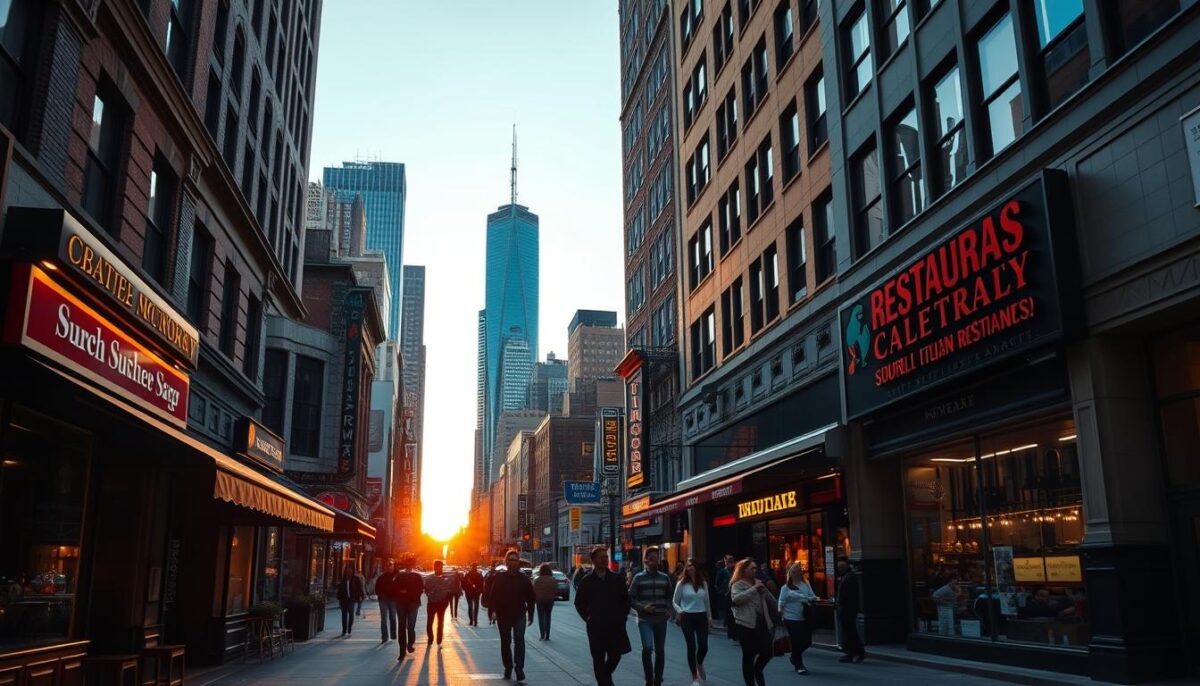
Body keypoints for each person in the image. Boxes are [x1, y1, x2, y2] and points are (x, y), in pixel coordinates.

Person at [575, 546, 632, 686]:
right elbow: (579, 603)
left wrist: (622, 616)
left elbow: (626, 600)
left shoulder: (616, 579)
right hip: (596, 627)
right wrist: (587, 617)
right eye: (601, 557)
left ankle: (604, 677)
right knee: (598, 658)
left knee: (616, 655)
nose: (604, 560)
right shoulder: (587, 580)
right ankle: (605, 683)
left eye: (605, 557)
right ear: (594, 560)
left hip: (614, 626)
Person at [484, 549, 535, 681]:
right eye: (511, 560)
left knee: (519, 640)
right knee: (506, 642)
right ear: (506, 562)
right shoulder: (500, 578)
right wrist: (493, 611)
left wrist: (531, 613)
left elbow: (530, 598)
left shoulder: (524, 579)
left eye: (515, 560)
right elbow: (493, 596)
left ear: (518, 562)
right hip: (503, 615)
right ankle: (508, 667)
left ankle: (519, 669)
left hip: (519, 615)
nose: (513, 562)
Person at [629, 546, 674, 686]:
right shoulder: (638, 578)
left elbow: (669, 597)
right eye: (651, 558)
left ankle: (658, 679)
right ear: (646, 561)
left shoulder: (665, 577)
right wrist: (642, 607)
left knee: (660, 650)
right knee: (648, 648)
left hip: (661, 619)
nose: (655, 560)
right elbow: (630, 598)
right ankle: (649, 678)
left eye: (657, 558)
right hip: (645, 619)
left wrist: (669, 610)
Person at [730, 558, 776, 686]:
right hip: (746, 623)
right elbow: (737, 599)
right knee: (749, 655)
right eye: (752, 568)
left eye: (756, 568)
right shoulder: (737, 584)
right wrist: (754, 589)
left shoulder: (758, 583)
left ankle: (757, 670)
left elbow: (772, 602)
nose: (755, 570)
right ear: (744, 571)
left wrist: (765, 590)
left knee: (767, 653)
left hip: (762, 623)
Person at [672, 558, 711, 686]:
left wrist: (709, 618)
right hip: (687, 617)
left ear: (696, 567)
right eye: (688, 566)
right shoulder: (681, 583)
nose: (690, 568)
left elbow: (707, 602)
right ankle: (694, 677)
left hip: (701, 616)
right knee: (691, 646)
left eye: (692, 566)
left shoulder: (703, 583)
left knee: (704, 645)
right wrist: (680, 611)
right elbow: (674, 601)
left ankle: (699, 663)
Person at [778, 563, 818, 675]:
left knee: (807, 641)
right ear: (789, 573)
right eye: (793, 571)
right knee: (796, 641)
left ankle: (794, 656)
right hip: (791, 617)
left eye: (798, 571)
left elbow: (813, 596)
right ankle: (799, 665)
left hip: (805, 616)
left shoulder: (806, 584)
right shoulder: (785, 588)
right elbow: (781, 602)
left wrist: (805, 598)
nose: (796, 573)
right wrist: (781, 615)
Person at [393, 553, 424, 658]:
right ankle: (403, 650)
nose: (409, 566)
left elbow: (420, 589)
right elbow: (395, 587)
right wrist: (402, 592)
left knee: (409, 626)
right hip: (403, 602)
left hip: (412, 603)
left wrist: (406, 591)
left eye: (410, 564)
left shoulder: (416, 576)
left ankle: (409, 644)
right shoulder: (400, 575)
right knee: (403, 626)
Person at [835, 560, 865, 663]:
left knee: (850, 631)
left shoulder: (849, 577)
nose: (838, 570)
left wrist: (841, 603)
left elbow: (848, 595)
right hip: (847, 608)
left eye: (840, 568)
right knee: (848, 631)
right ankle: (851, 652)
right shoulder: (847, 577)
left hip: (848, 609)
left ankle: (856, 652)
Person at [423, 559, 455, 648]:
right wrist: (430, 594)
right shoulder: (429, 578)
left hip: (442, 603)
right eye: (438, 567)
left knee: (440, 622)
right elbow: (426, 590)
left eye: (441, 567)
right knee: (430, 622)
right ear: (434, 567)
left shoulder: (446, 578)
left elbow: (450, 591)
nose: (440, 568)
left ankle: (439, 640)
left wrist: (446, 601)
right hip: (432, 603)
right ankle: (430, 638)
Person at [335, 565, 365, 637]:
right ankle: (344, 630)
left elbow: (359, 588)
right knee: (344, 615)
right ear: (345, 571)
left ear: (352, 571)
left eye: (350, 570)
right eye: (347, 570)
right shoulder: (343, 580)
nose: (348, 571)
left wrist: (361, 596)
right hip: (343, 600)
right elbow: (340, 590)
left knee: (351, 614)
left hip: (351, 599)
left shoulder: (355, 579)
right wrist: (339, 599)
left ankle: (349, 629)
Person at [375, 559, 399, 644]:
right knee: (383, 618)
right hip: (383, 600)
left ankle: (393, 634)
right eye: (387, 566)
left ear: (393, 566)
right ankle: (384, 637)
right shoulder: (381, 577)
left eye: (391, 565)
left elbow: (399, 587)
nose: (389, 567)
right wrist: (381, 595)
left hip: (393, 599)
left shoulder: (397, 576)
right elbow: (377, 588)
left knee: (392, 616)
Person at [532, 563, 558, 640]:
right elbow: (555, 590)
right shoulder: (553, 580)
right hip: (550, 600)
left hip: (540, 600)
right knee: (548, 616)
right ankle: (548, 635)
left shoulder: (537, 580)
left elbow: (534, 590)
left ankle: (542, 635)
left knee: (541, 617)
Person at [714, 554, 736, 640]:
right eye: (728, 561)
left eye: (731, 560)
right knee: (729, 613)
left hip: (735, 594)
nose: (730, 563)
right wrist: (721, 591)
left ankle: (733, 632)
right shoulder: (722, 571)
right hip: (726, 594)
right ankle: (730, 631)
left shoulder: (735, 571)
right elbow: (717, 582)